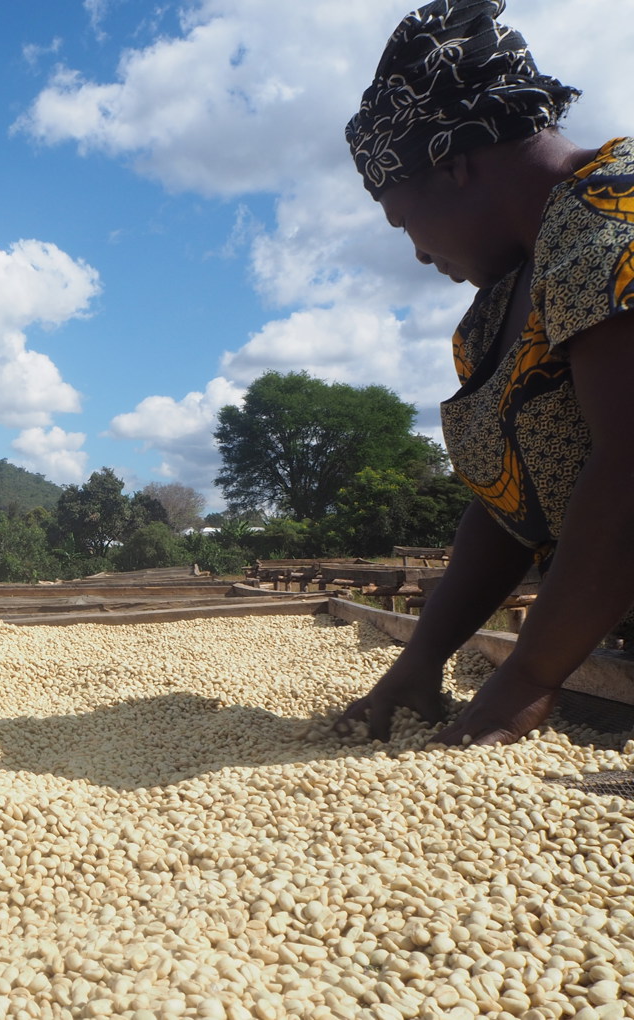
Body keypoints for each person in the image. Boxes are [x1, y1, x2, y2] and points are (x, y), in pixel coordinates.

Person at [336, 0, 634, 746]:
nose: (417, 253)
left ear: (452, 165)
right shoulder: (503, 302)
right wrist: (422, 657)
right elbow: (506, 505)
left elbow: (630, 465)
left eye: (403, 220)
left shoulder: (613, 214)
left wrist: (526, 680)